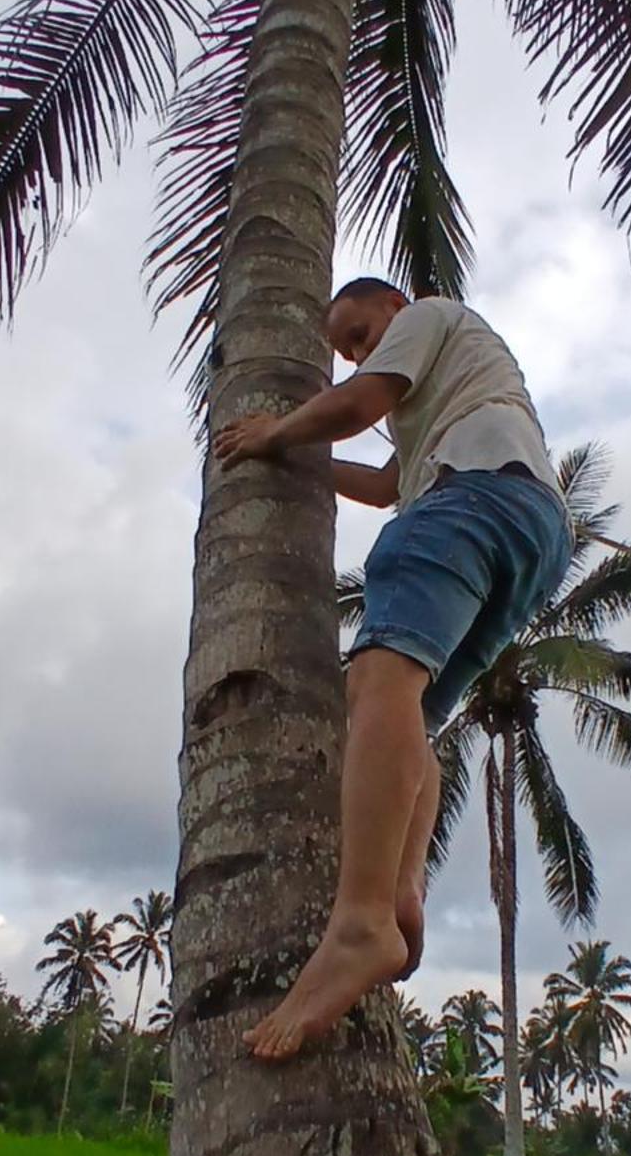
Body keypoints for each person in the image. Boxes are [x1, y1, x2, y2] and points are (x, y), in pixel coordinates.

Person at [213, 277, 572, 1060]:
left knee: (378, 678)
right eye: (343, 347)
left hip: (474, 500)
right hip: (531, 534)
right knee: (410, 708)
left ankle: (362, 919)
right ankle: (402, 886)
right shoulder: (460, 395)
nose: (354, 351)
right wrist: (297, 462)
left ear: (399, 306)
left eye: (360, 331)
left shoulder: (433, 319)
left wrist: (276, 433)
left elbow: (355, 406)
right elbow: (384, 485)